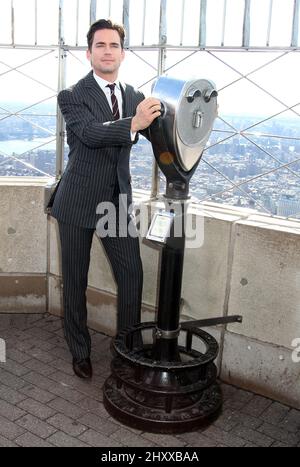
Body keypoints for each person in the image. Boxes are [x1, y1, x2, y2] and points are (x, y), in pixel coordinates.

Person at [50, 19, 161, 379]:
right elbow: (90, 134)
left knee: (132, 277)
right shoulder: (72, 96)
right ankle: (79, 351)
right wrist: (133, 124)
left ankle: (127, 352)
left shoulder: (134, 96)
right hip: (77, 202)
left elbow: (159, 128)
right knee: (75, 281)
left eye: (114, 45)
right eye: (101, 45)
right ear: (89, 53)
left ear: (122, 54)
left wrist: (195, 119)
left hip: (115, 203)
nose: (108, 51)